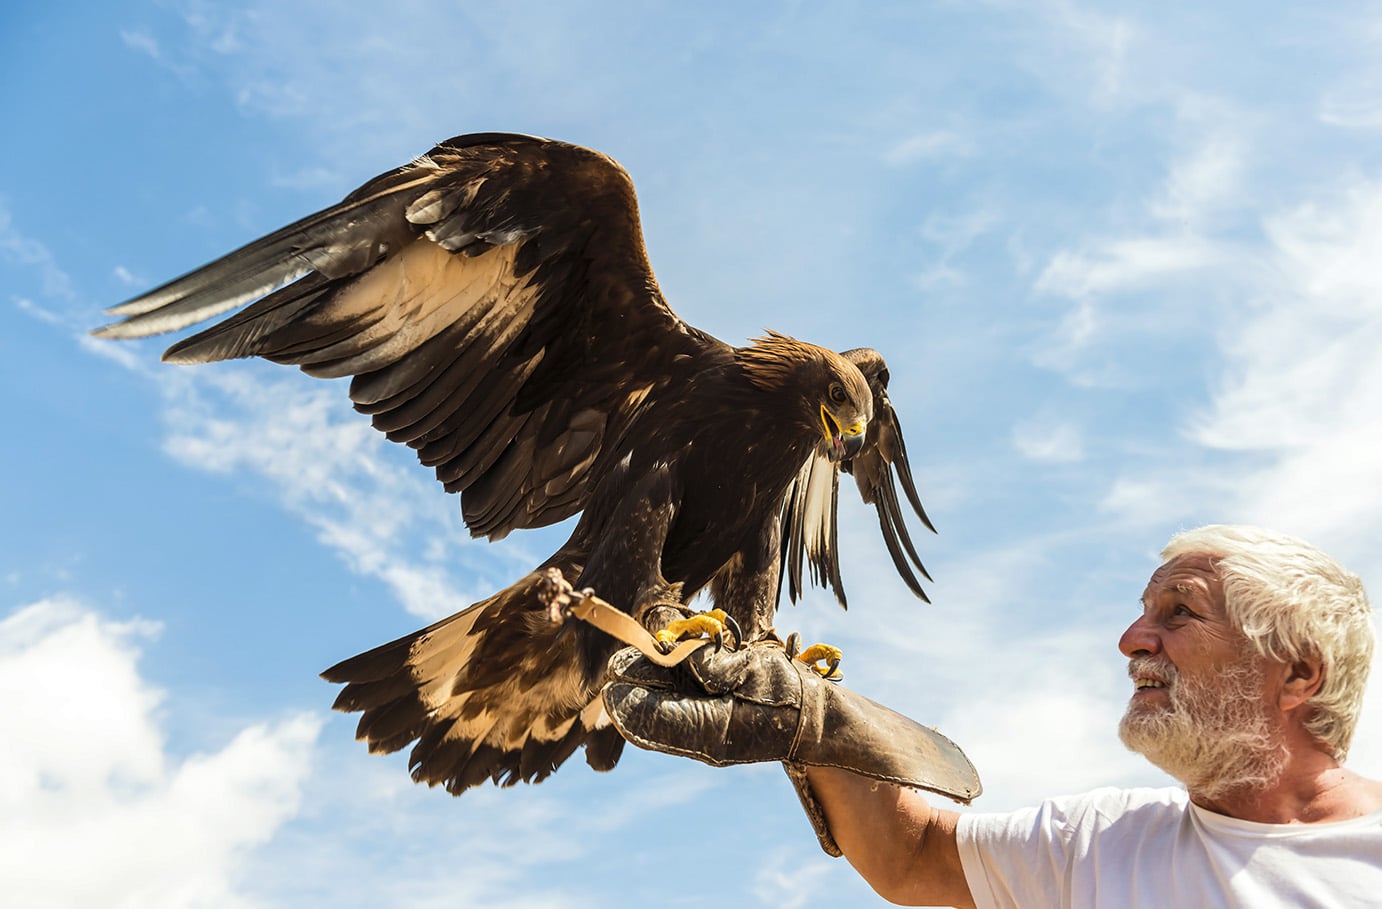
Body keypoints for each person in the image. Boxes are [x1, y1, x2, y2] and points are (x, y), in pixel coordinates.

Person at [603, 524, 1382, 908]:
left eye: (1179, 613)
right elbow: (914, 856)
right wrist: (806, 715)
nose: (1131, 640)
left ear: (1299, 672)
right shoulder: (1101, 844)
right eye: (1142, 610)